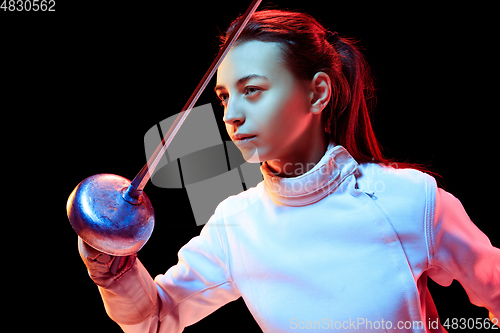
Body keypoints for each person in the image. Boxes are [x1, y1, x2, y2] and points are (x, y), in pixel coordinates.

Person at [77, 9, 499, 332]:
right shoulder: (237, 224)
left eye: (253, 90)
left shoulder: (410, 200)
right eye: (225, 97)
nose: (231, 116)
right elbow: (155, 317)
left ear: (317, 93)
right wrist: (115, 271)